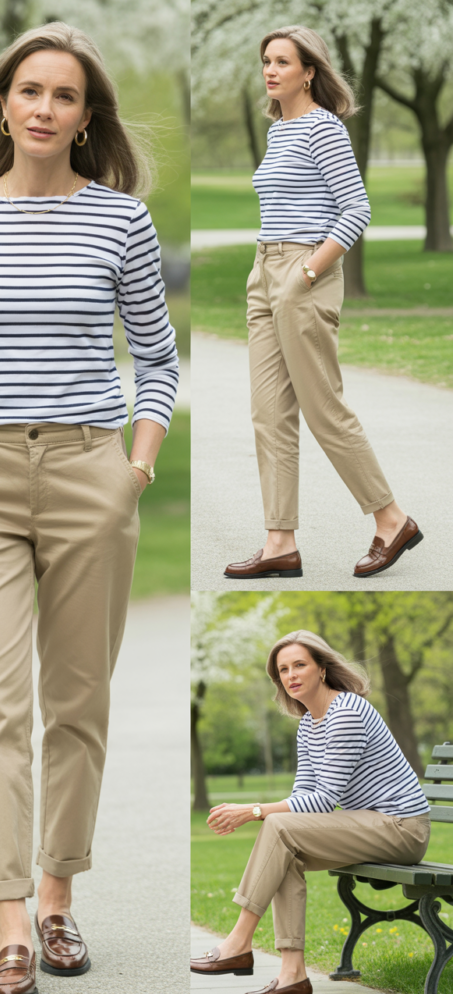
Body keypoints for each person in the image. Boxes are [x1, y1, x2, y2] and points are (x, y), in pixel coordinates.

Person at [0, 22, 178, 994]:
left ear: (85, 115)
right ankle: (12, 921)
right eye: (28, 91)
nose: (44, 108)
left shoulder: (120, 222)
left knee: (76, 702)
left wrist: (132, 472)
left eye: (63, 95)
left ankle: (61, 896)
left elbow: (159, 359)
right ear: (3, 105)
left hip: (85, 472)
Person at [223, 25, 423, 582]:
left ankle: (392, 518)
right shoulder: (280, 129)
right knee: (270, 414)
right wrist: (270, 276)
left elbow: (355, 210)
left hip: (304, 271)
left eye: (282, 61)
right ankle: (278, 541)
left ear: (309, 71)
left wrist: (306, 274)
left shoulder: (322, 128)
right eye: (266, 60)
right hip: (264, 270)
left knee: (323, 408)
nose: (270, 70)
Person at [190, 630, 430, 994]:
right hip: (367, 824)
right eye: (283, 670)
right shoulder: (308, 725)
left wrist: (253, 811)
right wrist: (262, 814)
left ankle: (238, 942)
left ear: (322, 668)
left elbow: (325, 800)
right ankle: (293, 976)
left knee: (279, 828)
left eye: (299, 665)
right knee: (284, 849)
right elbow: (305, 796)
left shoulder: (347, 711)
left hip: (401, 828)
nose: (291, 675)